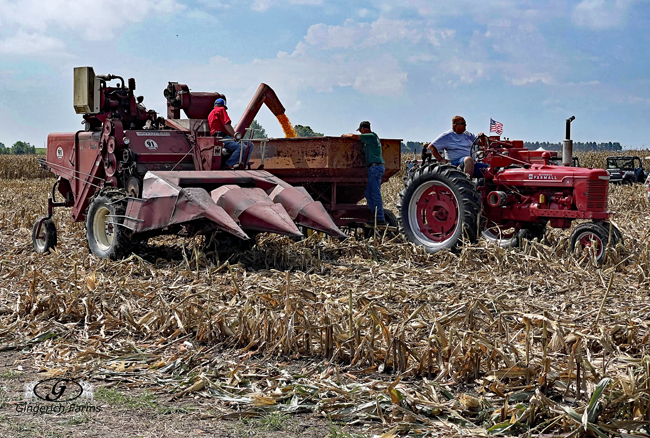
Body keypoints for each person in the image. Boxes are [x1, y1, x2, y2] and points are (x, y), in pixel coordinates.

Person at [343, 121, 385, 225]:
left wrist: (344, 135)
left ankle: (380, 218)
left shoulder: (370, 136)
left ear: (363, 129)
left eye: (361, 131)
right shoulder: (371, 138)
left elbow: (353, 136)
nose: (361, 133)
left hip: (375, 168)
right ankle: (374, 215)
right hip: (374, 168)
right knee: (368, 193)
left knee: (375, 193)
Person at [207, 98, 253, 169]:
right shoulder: (221, 110)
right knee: (243, 147)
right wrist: (234, 135)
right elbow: (227, 124)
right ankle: (228, 164)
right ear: (223, 106)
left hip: (218, 138)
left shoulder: (210, 113)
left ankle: (242, 164)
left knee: (249, 144)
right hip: (223, 138)